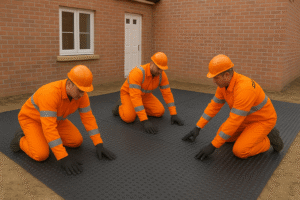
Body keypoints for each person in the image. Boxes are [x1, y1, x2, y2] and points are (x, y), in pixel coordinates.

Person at [10, 65, 116, 175]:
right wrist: (63, 157)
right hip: (32, 120)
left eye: (85, 91)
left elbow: (88, 118)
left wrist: (99, 144)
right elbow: (49, 127)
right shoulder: (50, 94)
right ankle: (20, 139)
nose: (82, 95)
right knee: (41, 155)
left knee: (76, 141)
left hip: (55, 120)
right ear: (69, 84)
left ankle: (39, 136)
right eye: (80, 91)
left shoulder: (81, 96)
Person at [182, 54, 284, 160]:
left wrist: (212, 146)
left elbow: (234, 121)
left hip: (262, 121)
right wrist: (198, 127)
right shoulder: (223, 86)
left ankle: (267, 139)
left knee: (240, 151)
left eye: (216, 77)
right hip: (245, 119)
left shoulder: (244, 89)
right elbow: (213, 107)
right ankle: (250, 135)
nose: (214, 81)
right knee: (223, 136)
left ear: (226, 75)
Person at [112, 52, 184, 134]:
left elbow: (167, 93)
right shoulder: (137, 73)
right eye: (158, 68)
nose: (160, 72)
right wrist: (144, 120)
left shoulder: (161, 75)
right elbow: (135, 97)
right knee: (129, 118)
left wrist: (173, 114)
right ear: (152, 63)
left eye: (162, 69)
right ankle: (119, 107)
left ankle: (136, 109)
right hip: (129, 94)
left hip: (145, 96)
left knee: (159, 112)